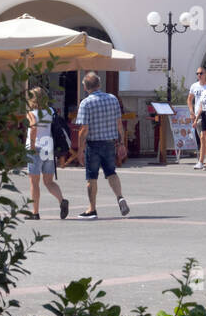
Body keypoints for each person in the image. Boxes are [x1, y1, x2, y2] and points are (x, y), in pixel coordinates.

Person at [75, 71, 130, 219]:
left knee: (91, 177)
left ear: (86, 88)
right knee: (111, 172)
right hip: (110, 143)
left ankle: (92, 209)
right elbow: (119, 124)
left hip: (93, 144)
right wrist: (122, 143)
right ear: (99, 85)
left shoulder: (86, 103)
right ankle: (120, 196)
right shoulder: (112, 99)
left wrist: (80, 150)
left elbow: (83, 130)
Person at [24, 87, 68, 220]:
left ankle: (35, 212)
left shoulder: (31, 113)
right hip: (48, 147)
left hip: (36, 148)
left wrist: (31, 146)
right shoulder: (50, 112)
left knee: (34, 182)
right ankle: (62, 200)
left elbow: (33, 128)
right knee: (48, 181)